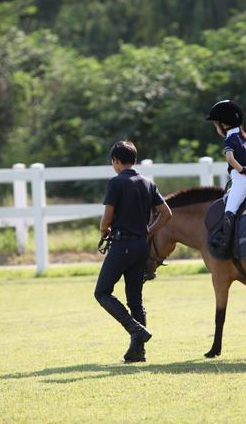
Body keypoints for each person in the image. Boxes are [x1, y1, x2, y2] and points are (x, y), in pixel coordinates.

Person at [94, 140, 172, 363]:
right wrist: (148, 232)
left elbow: (107, 218)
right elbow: (166, 214)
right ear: (135, 160)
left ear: (116, 161)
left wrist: (103, 231)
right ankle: (138, 352)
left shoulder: (116, 183)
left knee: (102, 292)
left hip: (122, 245)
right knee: (135, 300)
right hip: (140, 247)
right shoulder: (148, 183)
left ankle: (135, 330)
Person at [206, 99, 246, 254]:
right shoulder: (245, 137)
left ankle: (226, 243)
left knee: (229, 211)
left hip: (242, 179)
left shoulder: (230, 138)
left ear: (223, 124)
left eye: (216, 124)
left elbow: (230, 158)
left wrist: (242, 170)